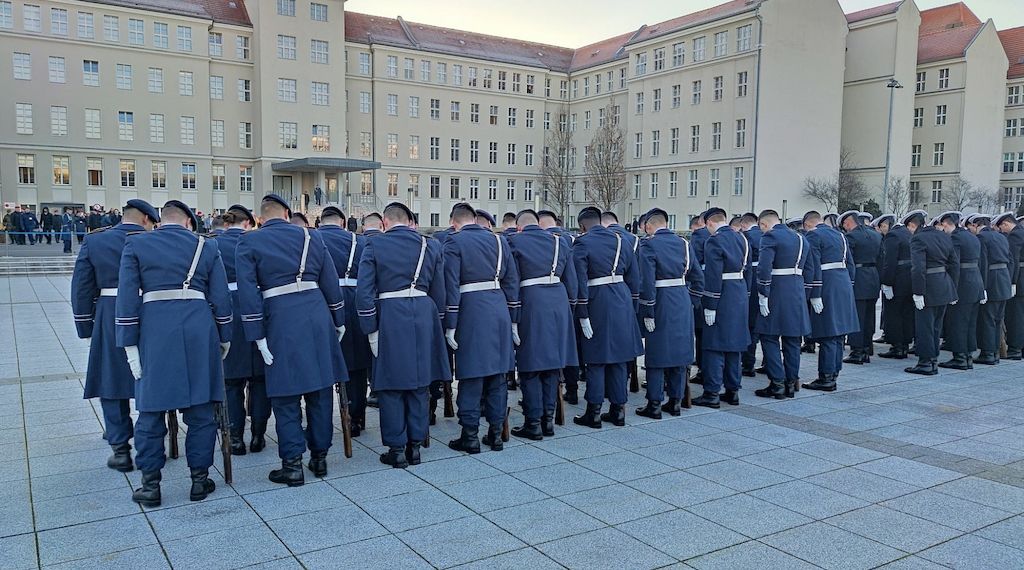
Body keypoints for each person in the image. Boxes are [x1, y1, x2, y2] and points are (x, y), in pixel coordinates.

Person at [115, 200, 233, 507]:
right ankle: (199, 480)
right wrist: (224, 336)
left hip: (154, 330)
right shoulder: (205, 247)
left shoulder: (137, 244)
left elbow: (127, 298)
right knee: (200, 412)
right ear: (189, 223)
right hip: (198, 328)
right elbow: (220, 298)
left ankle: (151, 484)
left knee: (151, 412)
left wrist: (129, 345)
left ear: (159, 221)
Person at [235, 194, 347, 485]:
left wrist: (256, 335)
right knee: (320, 391)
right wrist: (338, 320)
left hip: (280, 319)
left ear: (260, 218)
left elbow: (248, 293)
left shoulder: (249, 241)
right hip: (316, 314)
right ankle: (320, 458)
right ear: (287, 213)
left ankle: (292, 464)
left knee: (285, 395)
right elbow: (330, 283)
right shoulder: (312, 237)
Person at [356, 202, 450, 468]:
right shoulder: (430, 245)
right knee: (420, 383)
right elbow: (439, 290)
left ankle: (397, 449)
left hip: (390, 314)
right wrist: (438, 322)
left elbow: (365, 292)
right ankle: (415, 446)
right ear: (410, 221)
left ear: (384, 223)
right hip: (423, 312)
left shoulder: (374, 245)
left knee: (390, 384)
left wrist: (369, 328)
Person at [72, 199, 160, 473]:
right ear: (147, 219)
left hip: (109, 314)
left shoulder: (95, 241)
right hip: (149, 312)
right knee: (150, 377)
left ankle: (120, 448)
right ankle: (154, 439)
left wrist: (86, 327)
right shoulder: (153, 241)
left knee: (111, 381)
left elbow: (82, 288)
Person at [443, 203, 519, 452]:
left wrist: (450, 324)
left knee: (471, 375)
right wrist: (513, 317)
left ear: (454, 222)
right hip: (498, 309)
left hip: (471, 310)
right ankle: (496, 434)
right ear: (475, 219)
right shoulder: (499, 241)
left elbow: (451, 286)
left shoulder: (454, 242)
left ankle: (470, 435)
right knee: (498, 375)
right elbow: (511, 281)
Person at [507, 209, 578, 438]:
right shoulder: (560, 242)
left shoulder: (514, 243)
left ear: (519, 227)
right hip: (558, 301)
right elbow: (572, 282)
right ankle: (548, 420)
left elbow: (512, 282)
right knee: (552, 365)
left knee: (530, 366)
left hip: (531, 301)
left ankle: (534, 423)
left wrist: (513, 316)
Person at [572, 206, 643, 426]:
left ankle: (593, 412)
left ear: (582, 225)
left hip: (597, 300)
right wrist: (632, 308)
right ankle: (618, 410)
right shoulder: (623, 240)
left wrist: (582, 312)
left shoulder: (582, 243)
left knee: (596, 359)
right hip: (621, 299)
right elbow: (634, 279)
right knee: (619, 359)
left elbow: (579, 281)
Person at [213, 205, 271, 455]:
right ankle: (258, 435)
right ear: (248, 223)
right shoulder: (257, 242)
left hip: (228, 314)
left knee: (231, 382)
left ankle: (235, 436)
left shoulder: (212, 244)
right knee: (260, 380)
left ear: (227, 223)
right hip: (257, 311)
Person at [637, 208, 704, 417]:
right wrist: (691, 301)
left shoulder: (648, 244)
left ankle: (654, 404)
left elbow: (646, 281)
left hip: (660, 299)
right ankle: (675, 401)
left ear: (649, 226)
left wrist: (647, 309)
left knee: (657, 352)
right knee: (679, 351)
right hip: (681, 298)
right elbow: (698, 278)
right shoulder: (684, 243)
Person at [318, 206, 372, 437]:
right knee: (357, 366)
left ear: (321, 221)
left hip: (320, 302)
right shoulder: (359, 241)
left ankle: (320, 421)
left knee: (321, 366)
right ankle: (356, 418)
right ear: (342, 222)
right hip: (352, 301)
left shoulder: (311, 238)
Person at [693, 208, 750, 408]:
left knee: (713, 345)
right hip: (739, 293)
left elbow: (713, 276)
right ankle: (733, 390)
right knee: (734, 344)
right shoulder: (742, 239)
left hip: (722, 294)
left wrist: (710, 304)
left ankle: (712, 392)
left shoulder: (714, 241)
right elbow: (747, 270)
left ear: (709, 223)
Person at [752, 210, 811, 399]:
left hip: (777, 291)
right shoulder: (801, 239)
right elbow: (809, 269)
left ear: (763, 224)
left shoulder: (770, 237)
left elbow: (764, 267)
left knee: (769, 337)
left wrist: (763, 293)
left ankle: (777, 382)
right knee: (792, 339)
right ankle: (791, 383)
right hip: (797, 290)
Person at [802, 211, 858, 391]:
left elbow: (813, 265)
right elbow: (850, 264)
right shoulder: (840, 235)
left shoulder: (813, 235)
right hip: (843, 283)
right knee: (839, 333)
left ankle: (825, 377)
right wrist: (848, 285)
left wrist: (814, 292)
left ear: (808, 224)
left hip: (826, 284)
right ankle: (834, 373)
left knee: (827, 333)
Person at [903, 210, 958, 375]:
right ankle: (933, 359)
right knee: (936, 327)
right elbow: (954, 264)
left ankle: (925, 363)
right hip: (944, 285)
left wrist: (918, 292)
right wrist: (953, 289)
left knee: (925, 327)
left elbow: (918, 268)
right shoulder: (943, 236)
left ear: (912, 225)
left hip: (928, 286)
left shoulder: (918, 238)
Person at [539, 210, 584, 405]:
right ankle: (572, 389)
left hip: (550, 302)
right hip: (567, 301)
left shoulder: (545, 241)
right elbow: (573, 278)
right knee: (571, 350)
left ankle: (549, 393)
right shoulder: (571, 239)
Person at [936, 211, 983, 370]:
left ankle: (960, 357)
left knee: (958, 322)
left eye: (943, 226)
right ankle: (968, 355)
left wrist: (952, 288)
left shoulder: (955, 238)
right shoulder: (972, 236)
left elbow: (954, 264)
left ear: (947, 224)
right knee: (969, 322)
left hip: (963, 284)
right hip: (975, 282)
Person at [602, 210, 642, 394]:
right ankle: (627, 378)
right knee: (625, 345)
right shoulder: (633, 240)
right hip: (626, 295)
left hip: (605, 296)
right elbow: (637, 274)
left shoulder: (603, 239)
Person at [840, 210, 882, 364]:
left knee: (857, 316)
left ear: (848, 223)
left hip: (859, 277)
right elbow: (881, 260)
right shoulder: (876, 235)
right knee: (869, 316)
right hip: (873, 277)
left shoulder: (851, 236)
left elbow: (847, 261)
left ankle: (857, 351)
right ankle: (866, 347)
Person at [970, 214, 1012, 364]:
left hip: (992, 281)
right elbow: (1011, 261)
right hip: (1004, 280)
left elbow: (983, 263)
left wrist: (983, 287)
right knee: (997, 319)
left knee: (987, 319)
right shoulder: (1001, 237)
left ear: (976, 225)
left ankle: (987, 353)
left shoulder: (982, 238)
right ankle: (994, 352)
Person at [879, 214, 914, 359]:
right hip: (910, 279)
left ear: (886, 225)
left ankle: (897, 347)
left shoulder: (892, 236)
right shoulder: (907, 233)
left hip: (898, 280)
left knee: (894, 314)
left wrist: (887, 282)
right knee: (907, 313)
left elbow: (890, 261)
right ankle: (905, 345)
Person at [996, 212, 1024, 359]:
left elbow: (1013, 259)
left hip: (1020, 280)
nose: (1002, 232)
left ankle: (1015, 348)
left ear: (1006, 224)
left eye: (1002, 228)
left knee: (1015, 316)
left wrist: (1012, 281)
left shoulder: (1015, 235)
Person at [738, 212, 762, 376]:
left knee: (750, 324)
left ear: (744, 224)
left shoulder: (745, 237)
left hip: (752, 282)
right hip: (769, 282)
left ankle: (748, 363)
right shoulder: (766, 234)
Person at [689, 213, 711, 384]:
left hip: (700, 288)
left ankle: (704, 369)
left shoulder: (697, 236)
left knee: (700, 331)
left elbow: (692, 264)